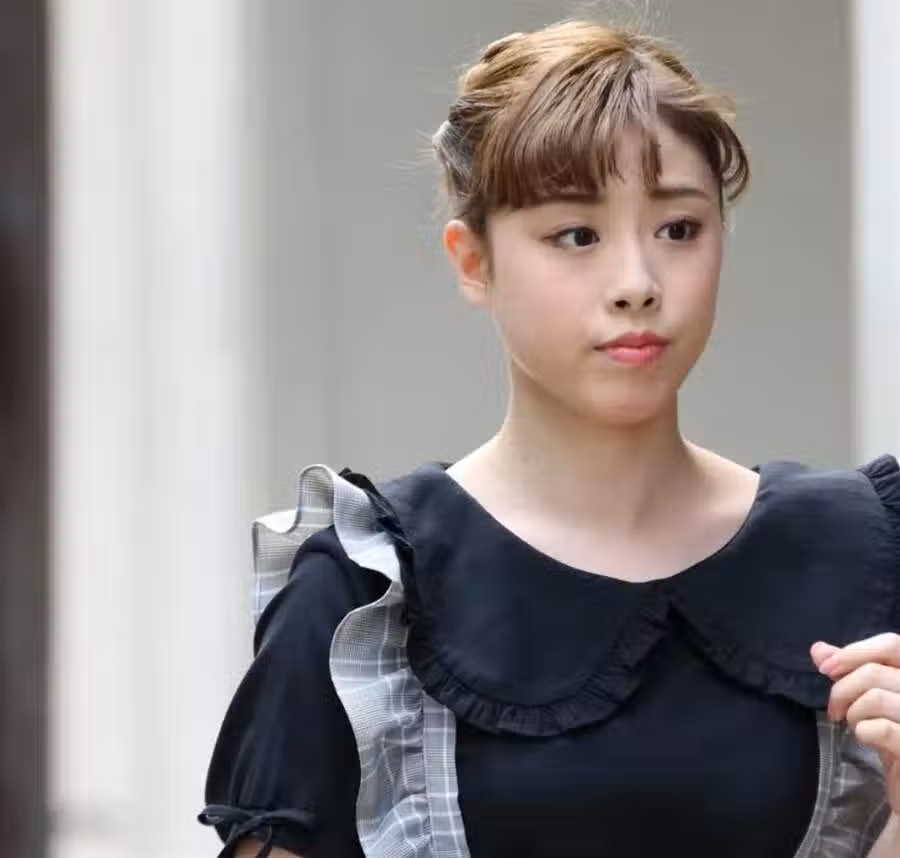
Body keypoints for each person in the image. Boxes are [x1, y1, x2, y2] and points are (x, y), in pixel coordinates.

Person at [197, 18, 900, 858]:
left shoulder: (866, 551)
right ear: (473, 261)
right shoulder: (364, 592)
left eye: (678, 229)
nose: (636, 284)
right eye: (577, 235)